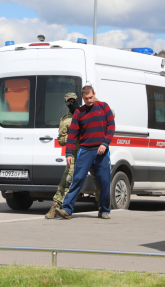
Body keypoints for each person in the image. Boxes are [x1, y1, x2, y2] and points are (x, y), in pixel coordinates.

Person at [56, 85, 115, 219]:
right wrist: (69, 153)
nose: (89, 100)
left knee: (105, 181)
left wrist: (105, 143)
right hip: (85, 151)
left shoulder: (104, 107)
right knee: (77, 179)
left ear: (94, 94)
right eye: (86, 98)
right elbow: (72, 134)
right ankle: (67, 209)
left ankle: (104, 210)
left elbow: (111, 126)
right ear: (82, 97)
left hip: (102, 151)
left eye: (91, 97)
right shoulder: (79, 112)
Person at [44, 92, 101, 219]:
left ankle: (102, 207)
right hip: (76, 153)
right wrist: (73, 136)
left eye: (73, 100)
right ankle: (56, 206)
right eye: (69, 102)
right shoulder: (66, 120)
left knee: (99, 178)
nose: (71, 103)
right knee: (67, 180)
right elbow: (61, 140)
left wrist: (95, 101)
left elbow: (109, 114)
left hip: (91, 151)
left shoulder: (88, 111)